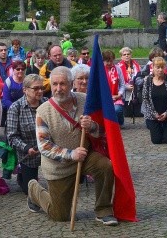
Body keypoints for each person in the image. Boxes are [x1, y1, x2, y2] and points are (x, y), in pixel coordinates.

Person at [28, 66, 118, 226]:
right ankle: (34, 190)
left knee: (105, 166)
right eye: (54, 84)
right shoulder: (43, 111)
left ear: (71, 84)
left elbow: (104, 131)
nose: (58, 88)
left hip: (85, 156)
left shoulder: (86, 100)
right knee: (60, 215)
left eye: (62, 84)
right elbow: (44, 146)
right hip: (58, 167)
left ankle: (103, 209)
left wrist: (92, 126)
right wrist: (71, 154)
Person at [6, 74, 47, 195]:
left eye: (42, 88)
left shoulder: (47, 104)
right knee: (30, 191)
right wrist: (26, 147)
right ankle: (21, 174)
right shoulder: (15, 108)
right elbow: (12, 136)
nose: (40, 91)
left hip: (47, 151)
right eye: (36, 88)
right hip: (28, 156)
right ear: (25, 90)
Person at [141, 57, 167, 144]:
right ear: (153, 67)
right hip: (153, 115)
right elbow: (145, 99)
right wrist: (154, 114)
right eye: (158, 67)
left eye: (162, 67)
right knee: (156, 140)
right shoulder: (148, 81)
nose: (160, 70)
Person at [103, 50, 124, 126]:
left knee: (117, 110)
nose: (109, 63)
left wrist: (119, 94)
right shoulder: (100, 70)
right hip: (104, 98)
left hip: (116, 97)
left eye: (111, 61)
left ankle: (120, 122)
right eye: (107, 61)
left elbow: (122, 84)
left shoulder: (118, 69)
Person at [2, 60, 26, 126]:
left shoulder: (27, 80)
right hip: (11, 109)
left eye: (22, 69)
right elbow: (5, 100)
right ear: (14, 70)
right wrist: (16, 108)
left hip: (25, 110)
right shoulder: (8, 81)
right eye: (18, 69)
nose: (20, 71)